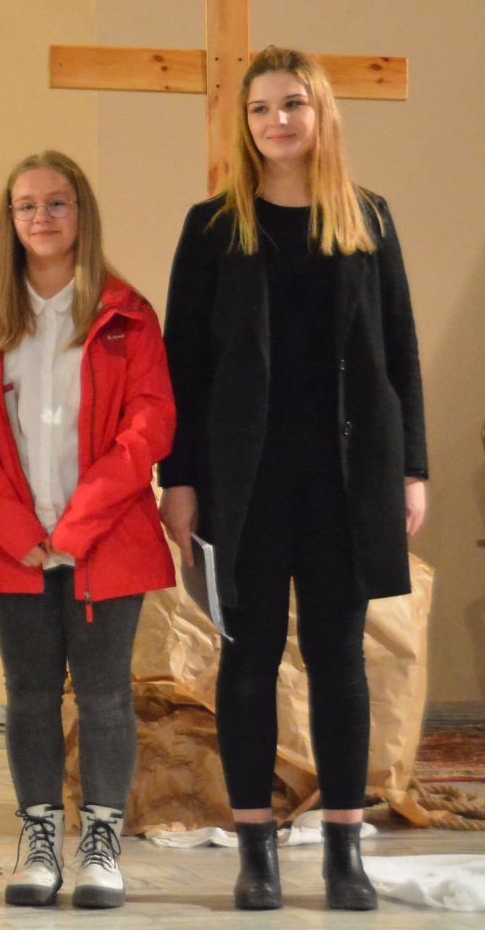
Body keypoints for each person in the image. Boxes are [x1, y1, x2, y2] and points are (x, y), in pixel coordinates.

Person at [159, 46, 427, 912]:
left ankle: (345, 851)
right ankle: (256, 853)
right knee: (247, 657)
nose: (277, 121)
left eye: (292, 104)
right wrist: (179, 478)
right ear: (245, 124)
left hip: (347, 476)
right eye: (261, 108)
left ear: (320, 114)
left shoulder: (367, 219)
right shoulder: (213, 227)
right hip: (245, 481)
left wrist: (412, 468)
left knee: (340, 657)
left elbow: (399, 351)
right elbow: (181, 363)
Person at [0, 150, 176, 910]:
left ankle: (101, 845)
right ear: (9, 220)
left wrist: (77, 527)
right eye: (27, 206)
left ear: (82, 214)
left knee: (105, 696)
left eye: (56, 203)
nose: (41, 217)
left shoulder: (128, 316)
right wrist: (19, 531)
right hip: (15, 547)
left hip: (106, 540)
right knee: (30, 695)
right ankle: (40, 840)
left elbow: (148, 428)